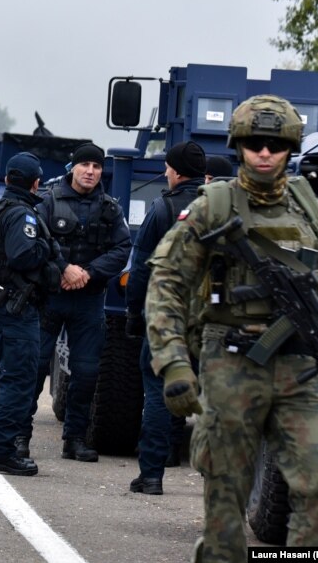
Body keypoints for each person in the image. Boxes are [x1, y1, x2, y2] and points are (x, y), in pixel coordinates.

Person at [146, 95, 318, 560]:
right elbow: (166, 285)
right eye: (255, 143)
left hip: (303, 368)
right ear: (239, 146)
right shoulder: (212, 207)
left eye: (276, 145)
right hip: (231, 363)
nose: (265, 153)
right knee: (225, 498)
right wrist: (175, 364)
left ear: (290, 148)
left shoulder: (313, 212)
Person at [29, 142, 131, 461]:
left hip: (88, 300)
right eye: (85, 165)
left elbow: (122, 248)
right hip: (51, 297)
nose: (90, 171)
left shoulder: (110, 208)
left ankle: (74, 438)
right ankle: (19, 436)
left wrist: (87, 272)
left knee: (86, 373)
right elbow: (34, 243)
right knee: (34, 369)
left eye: (97, 166)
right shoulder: (47, 201)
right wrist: (63, 269)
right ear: (73, 167)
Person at [124, 140, 206, 495]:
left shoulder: (162, 208)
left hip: (168, 319)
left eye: (168, 168)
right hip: (214, 320)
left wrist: (134, 311)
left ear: (174, 171)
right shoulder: (221, 209)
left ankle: (153, 474)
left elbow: (140, 267)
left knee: (158, 391)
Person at [0, 152, 61, 477]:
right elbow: (23, 255)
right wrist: (47, 248)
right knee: (19, 381)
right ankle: (1, 452)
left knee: (1, 377)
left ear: (8, 179)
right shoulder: (23, 215)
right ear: (35, 182)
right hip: (17, 306)